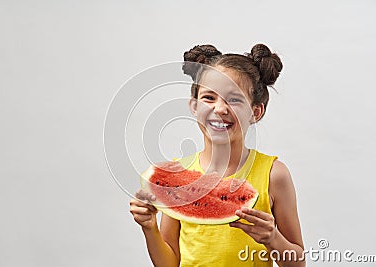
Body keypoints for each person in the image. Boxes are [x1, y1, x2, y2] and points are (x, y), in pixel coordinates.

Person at [129, 43, 305, 267]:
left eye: (234, 99)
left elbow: (298, 263)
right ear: (194, 106)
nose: (220, 109)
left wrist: (273, 239)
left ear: (255, 111)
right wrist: (150, 227)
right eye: (209, 98)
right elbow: (169, 262)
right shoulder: (175, 177)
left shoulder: (273, 174)